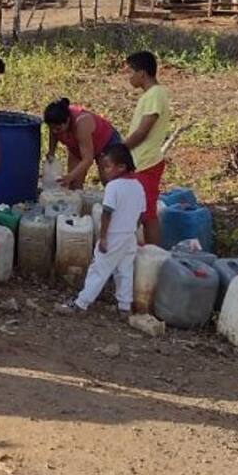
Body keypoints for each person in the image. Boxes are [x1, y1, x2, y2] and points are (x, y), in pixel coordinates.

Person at [57, 144, 145, 315]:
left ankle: (81, 303)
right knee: (125, 270)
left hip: (113, 235)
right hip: (129, 235)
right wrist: (133, 229)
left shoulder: (114, 187)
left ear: (121, 167)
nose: (104, 171)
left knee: (99, 269)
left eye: (107, 166)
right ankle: (124, 306)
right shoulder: (138, 186)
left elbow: (107, 213)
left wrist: (103, 237)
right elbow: (142, 213)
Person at [121, 51, 171, 246]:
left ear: (142, 73)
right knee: (140, 210)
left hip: (146, 162)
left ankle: (153, 254)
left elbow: (142, 132)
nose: (129, 77)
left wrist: (121, 149)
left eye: (131, 72)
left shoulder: (154, 95)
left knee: (147, 213)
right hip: (141, 161)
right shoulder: (151, 95)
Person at [43, 98, 122, 189]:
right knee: (73, 185)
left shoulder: (81, 123)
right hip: (77, 146)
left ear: (67, 120)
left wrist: (70, 176)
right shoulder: (55, 123)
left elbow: (88, 159)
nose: (55, 131)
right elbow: (53, 133)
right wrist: (51, 151)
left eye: (58, 129)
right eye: (51, 127)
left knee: (109, 182)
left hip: (106, 143)